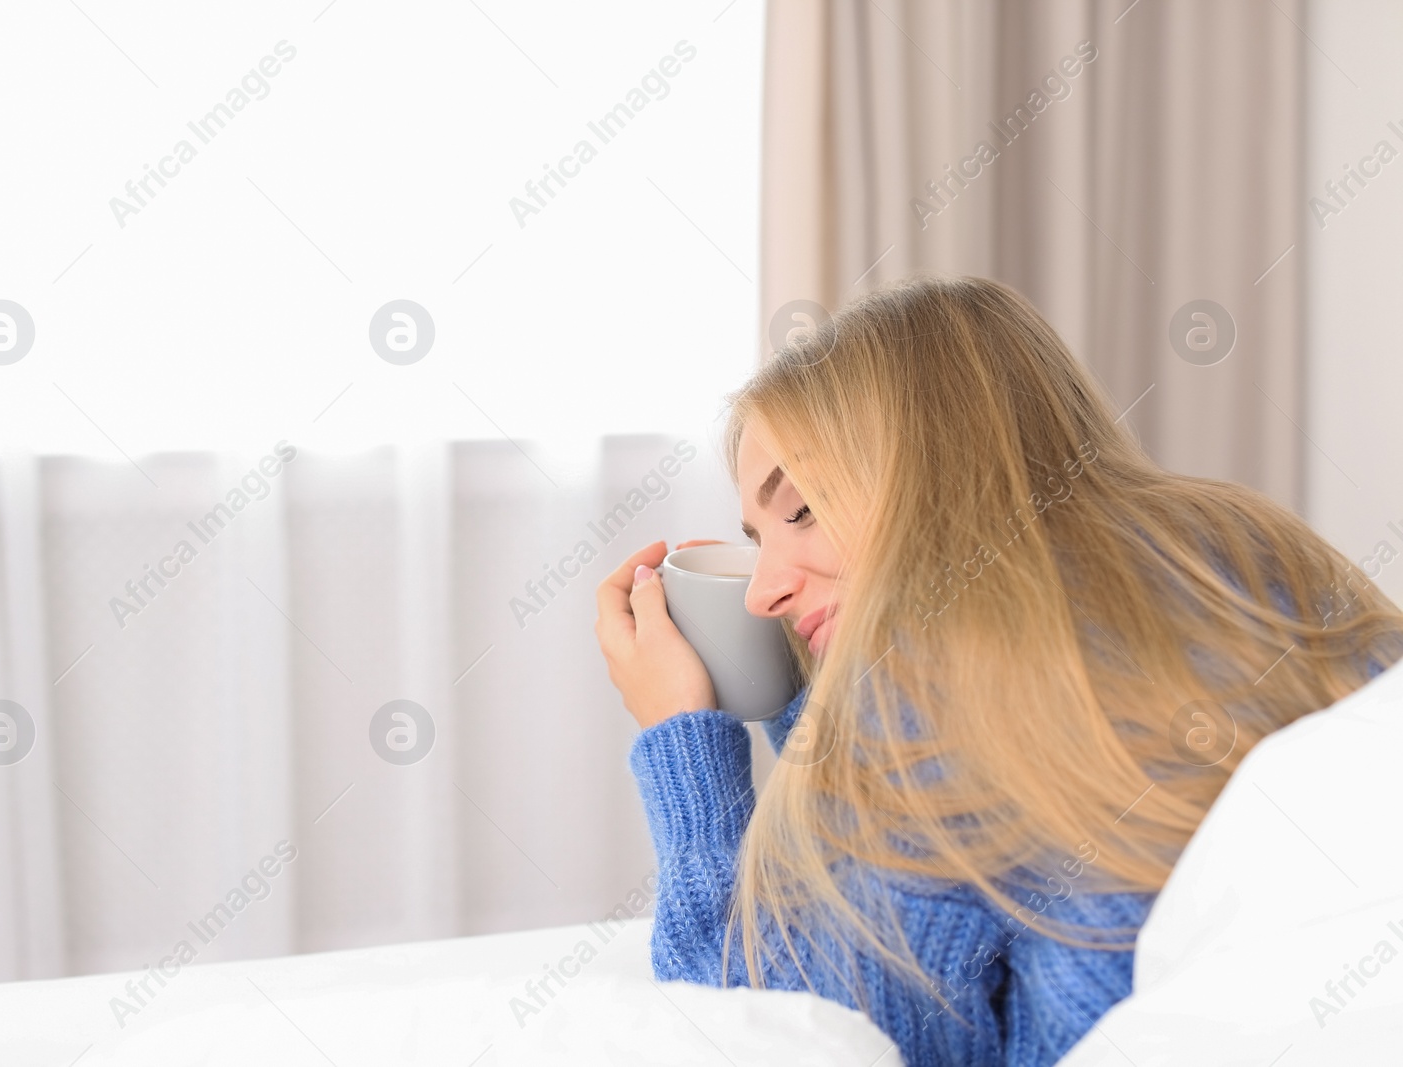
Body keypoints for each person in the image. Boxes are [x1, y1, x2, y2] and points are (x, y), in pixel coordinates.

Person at [592, 273, 1403, 1066]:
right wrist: (811, 698)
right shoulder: (1246, 540)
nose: (765, 591)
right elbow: (965, 845)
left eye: (802, 509)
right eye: (759, 538)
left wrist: (680, 737)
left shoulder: (932, 668)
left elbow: (769, 1025)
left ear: (934, 465)